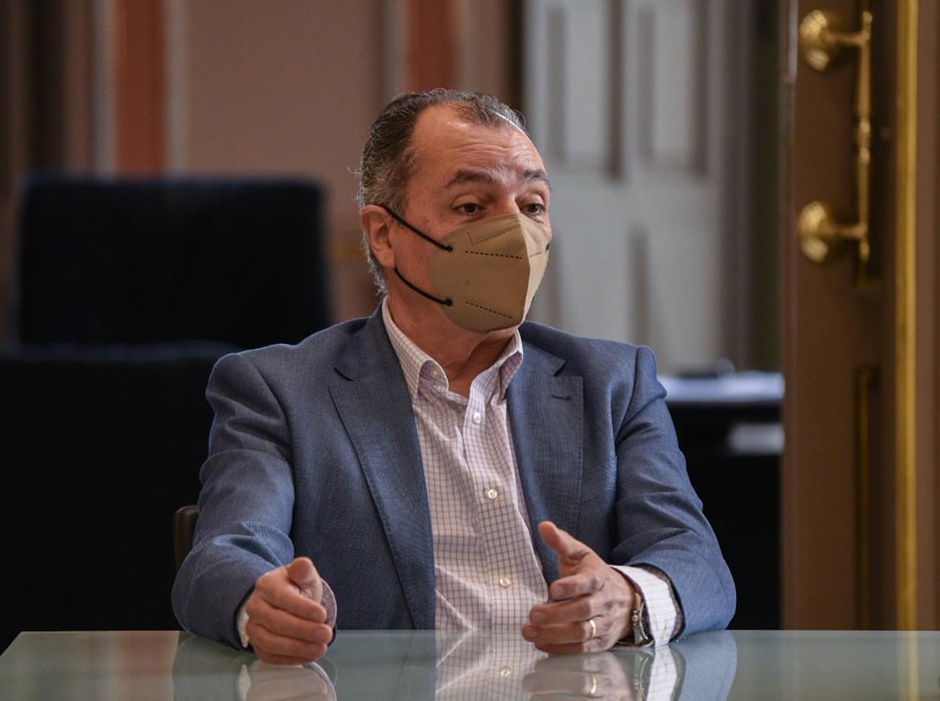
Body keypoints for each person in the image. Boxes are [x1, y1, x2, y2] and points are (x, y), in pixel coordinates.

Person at [172, 89, 735, 665]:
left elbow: (696, 562)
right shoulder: (280, 390)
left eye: (533, 205)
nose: (514, 233)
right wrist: (260, 603)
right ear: (384, 235)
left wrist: (627, 598)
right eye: (471, 207)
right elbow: (221, 556)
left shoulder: (613, 382)